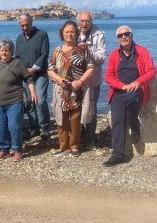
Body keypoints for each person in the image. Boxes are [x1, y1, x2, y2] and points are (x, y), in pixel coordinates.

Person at [104, 25, 156, 167]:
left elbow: (151, 71)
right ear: (117, 39)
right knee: (117, 120)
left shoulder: (142, 52)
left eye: (126, 34)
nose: (123, 37)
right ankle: (117, 154)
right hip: (119, 90)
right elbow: (108, 77)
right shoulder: (115, 54)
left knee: (130, 99)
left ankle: (134, 126)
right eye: (120, 36)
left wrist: (138, 82)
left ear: (131, 35)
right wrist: (122, 86)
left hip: (136, 90)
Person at [0, 39, 37, 161]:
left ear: (11, 51)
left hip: (15, 101)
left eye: (6, 50)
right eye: (2, 50)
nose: (4, 53)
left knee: (14, 126)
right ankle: (4, 149)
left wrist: (33, 92)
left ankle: (17, 149)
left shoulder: (17, 63)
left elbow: (28, 79)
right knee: (0, 127)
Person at [48, 20, 94, 157]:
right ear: (62, 34)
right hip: (61, 90)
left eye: (72, 31)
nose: (70, 34)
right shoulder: (57, 51)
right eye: (67, 32)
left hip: (78, 90)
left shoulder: (83, 48)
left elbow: (91, 68)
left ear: (77, 33)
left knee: (75, 119)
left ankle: (74, 146)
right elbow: (50, 70)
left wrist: (80, 82)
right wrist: (59, 80)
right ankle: (63, 146)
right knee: (60, 118)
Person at [14, 13, 50, 140]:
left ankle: (45, 126)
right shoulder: (19, 39)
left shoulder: (42, 35)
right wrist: (24, 71)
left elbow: (44, 54)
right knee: (28, 102)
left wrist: (34, 69)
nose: (25, 27)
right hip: (26, 76)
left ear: (31, 22)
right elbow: (17, 57)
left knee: (40, 101)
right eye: (22, 25)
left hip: (40, 74)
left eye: (27, 25)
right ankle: (34, 126)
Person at [77, 11, 106, 145]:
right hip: (76, 78)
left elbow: (102, 59)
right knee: (76, 107)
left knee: (91, 108)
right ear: (78, 21)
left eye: (87, 21)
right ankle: (79, 133)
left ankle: (89, 137)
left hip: (93, 79)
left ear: (91, 22)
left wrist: (88, 49)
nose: (84, 24)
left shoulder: (99, 34)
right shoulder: (72, 32)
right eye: (82, 21)